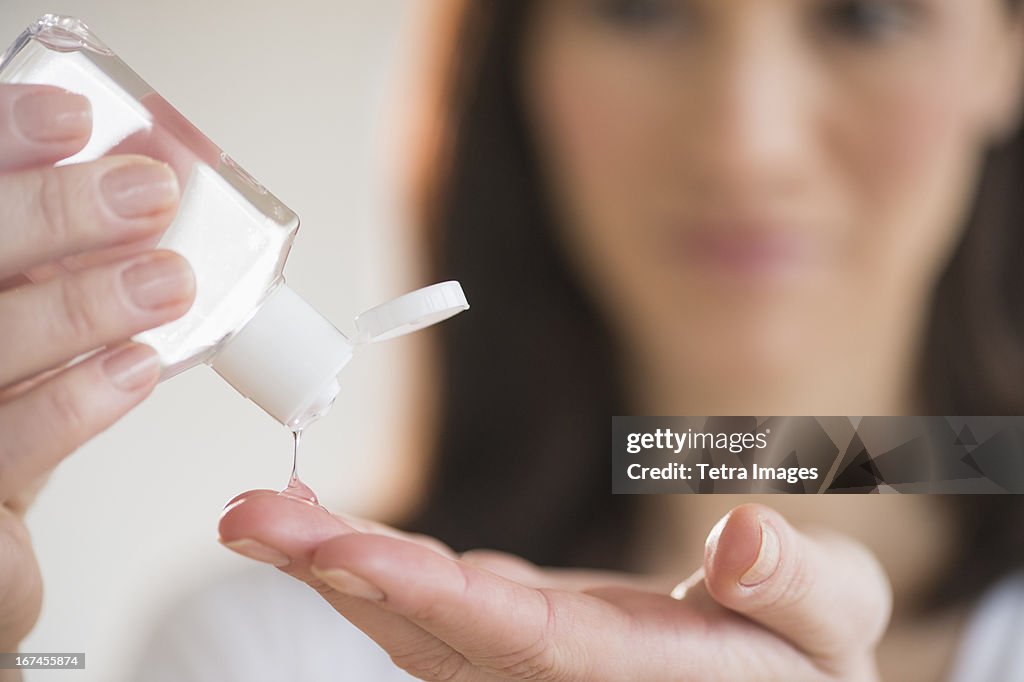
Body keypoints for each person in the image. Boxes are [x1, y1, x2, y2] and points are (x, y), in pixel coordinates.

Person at [3, 0, 1024, 680]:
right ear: (520, 59)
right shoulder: (274, 648)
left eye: (867, 15)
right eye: (640, 6)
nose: (744, 141)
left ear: (1005, 46)